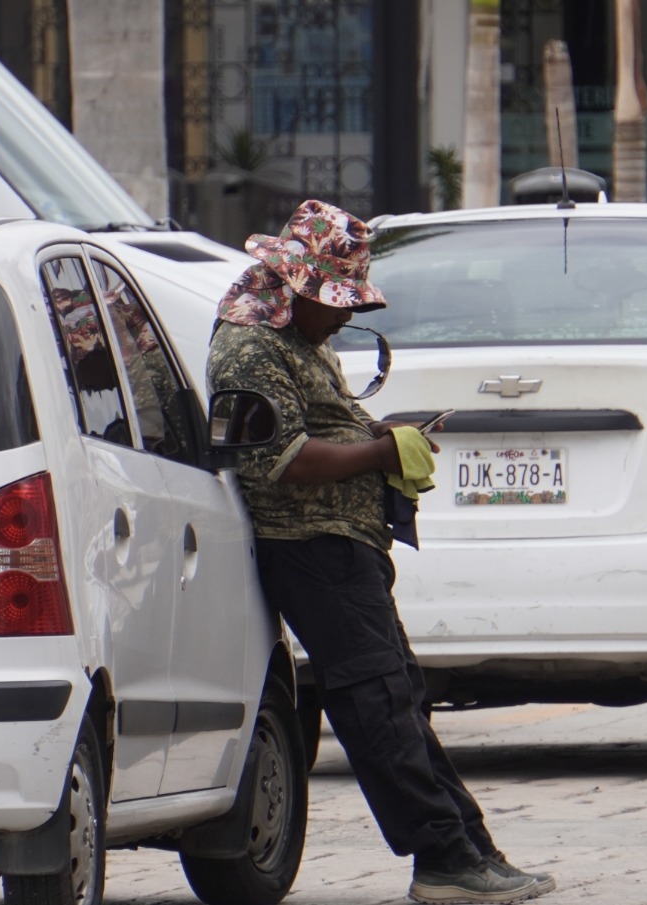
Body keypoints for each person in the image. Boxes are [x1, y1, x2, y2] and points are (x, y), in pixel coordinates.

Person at [208, 199, 556, 905]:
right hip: (310, 548)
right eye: (335, 302)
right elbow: (282, 462)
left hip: (344, 545)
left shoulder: (298, 338)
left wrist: (384, 442)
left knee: (399, 696)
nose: (343, 316)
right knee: (375, 705)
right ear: (297, 286)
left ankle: (468, 846)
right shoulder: (249, 348)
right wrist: (380, 449)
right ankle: (443, 857)